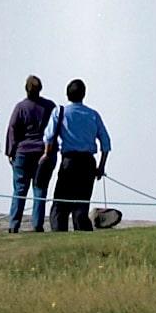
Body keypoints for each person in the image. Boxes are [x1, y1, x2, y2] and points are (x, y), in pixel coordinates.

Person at [46, 78, 112, 231]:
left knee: (60, 204)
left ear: (67, 94)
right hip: (88, 162)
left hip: (69, 160)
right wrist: (101, 166)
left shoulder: (60, 112)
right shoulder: (93, 114)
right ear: (84, 94)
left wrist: (47, 156)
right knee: (81, 204)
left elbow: (48, 137)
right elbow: (106, 143)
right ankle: (82, 232)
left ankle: (58, 233)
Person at [5, 75, 56, 234]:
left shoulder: (20, 107)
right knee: (40, 190)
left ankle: (14, 225)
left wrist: (10, 151)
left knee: (19, 190)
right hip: (43, 152)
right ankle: (37, 224)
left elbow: (12, 129)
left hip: (23, 152)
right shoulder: (49, 106)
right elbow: (55, 128)